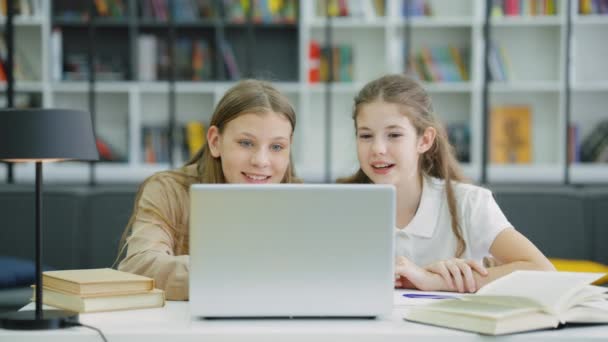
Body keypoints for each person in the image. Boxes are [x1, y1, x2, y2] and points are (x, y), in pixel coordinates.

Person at [338, 74, 555, 293]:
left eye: (394, 134)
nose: (377, 149)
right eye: (365, 136)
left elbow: (543, 271)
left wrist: (434, 281)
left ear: (424, 140)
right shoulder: (339, 206)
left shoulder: (469, 203)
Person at [115, 80, 300, 300]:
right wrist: (239, 274)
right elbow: (139, 267)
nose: (261, 161)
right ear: (215, 141)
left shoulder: (301, 200)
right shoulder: (169, 190)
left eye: (277, 147)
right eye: (246, 143)